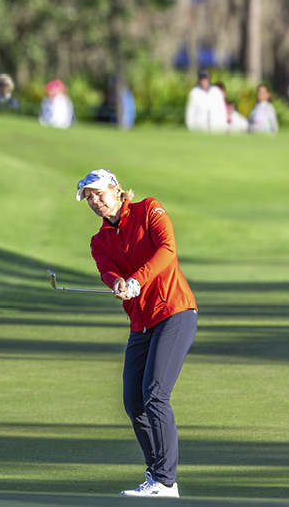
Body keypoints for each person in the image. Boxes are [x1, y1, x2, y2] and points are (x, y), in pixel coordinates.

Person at [76, 169, 197, 499]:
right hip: (141, 323)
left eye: (99, 193)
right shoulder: (99, 241)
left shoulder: (148, 209)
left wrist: (136, 280)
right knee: (134, 401)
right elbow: (106, 269)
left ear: (117, 189)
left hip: (174, 312)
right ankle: (156, 475)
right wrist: (117, 281)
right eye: (89, 198)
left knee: (155, 395)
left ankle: (166, 481)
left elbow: (167, 249)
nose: (95, 201)